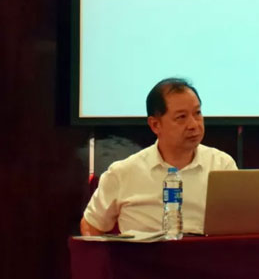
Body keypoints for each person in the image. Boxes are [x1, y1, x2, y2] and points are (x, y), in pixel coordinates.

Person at [80, 78, 237, 235]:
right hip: (144, 251)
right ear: (155, 125)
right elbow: (91, 225)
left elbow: (238, 224)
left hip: (204, 250)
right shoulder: (122, 173)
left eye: (197, 113)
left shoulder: (221, 165)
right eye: (181, 117)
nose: (194, 125)